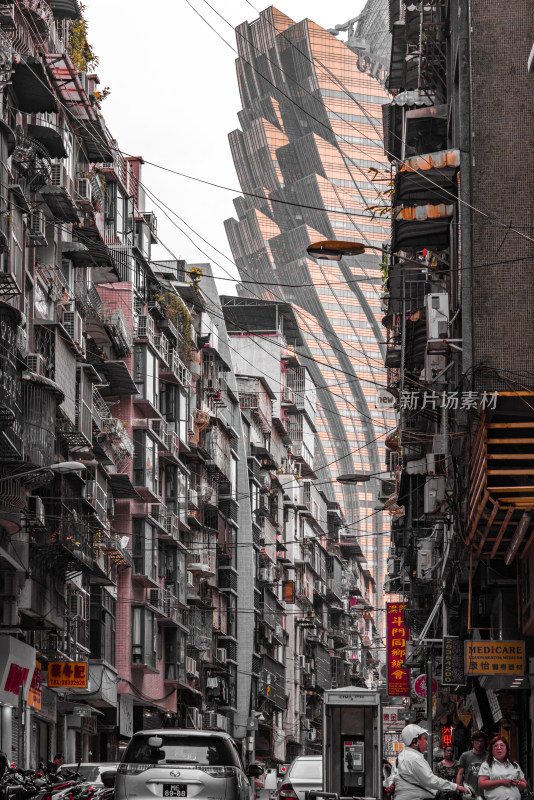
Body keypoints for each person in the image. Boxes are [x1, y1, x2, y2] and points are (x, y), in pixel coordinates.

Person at [391, 724, 468, 800]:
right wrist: (456, 787)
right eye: (425, 739)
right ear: (415, 740)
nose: (427, 742)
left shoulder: (400, 757)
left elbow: (390, 781)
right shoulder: (415, 759)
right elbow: (430, 780)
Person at [478, 736, 526, 800]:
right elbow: (481, 784)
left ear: (506, 748)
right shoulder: (486, 765)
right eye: (496, 746)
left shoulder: (514, 765)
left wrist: (518, 783)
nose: (499, 748)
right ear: (492, 750)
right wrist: (501, 782)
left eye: (502, 745)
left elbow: (524, 785)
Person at [457, 731, 488, 798]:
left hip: (485, 792)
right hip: (469, 792)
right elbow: (460, 773)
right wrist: (458, 787)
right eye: (477, 741)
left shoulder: (488, 756)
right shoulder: (465, 755)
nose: (479, 744)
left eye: (481, 741)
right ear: (473, 742)